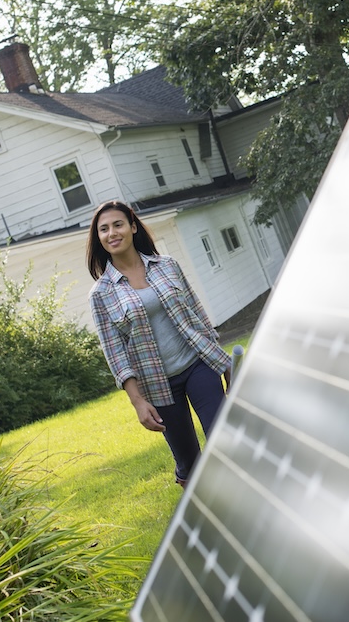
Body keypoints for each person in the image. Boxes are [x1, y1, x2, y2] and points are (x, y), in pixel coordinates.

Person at [87, 200, 232, 488]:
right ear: (98, 238)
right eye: (103, 229)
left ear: (132, 226)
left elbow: (198, 314)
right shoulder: (101, 294)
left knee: (223, 434)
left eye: (117, 224)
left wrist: (224, 362)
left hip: (197, 364)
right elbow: (115, 354)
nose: (111, 233)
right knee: (189, 461)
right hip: (157, 385)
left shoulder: (167, 266)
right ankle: (200, 508)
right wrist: (138, 401)